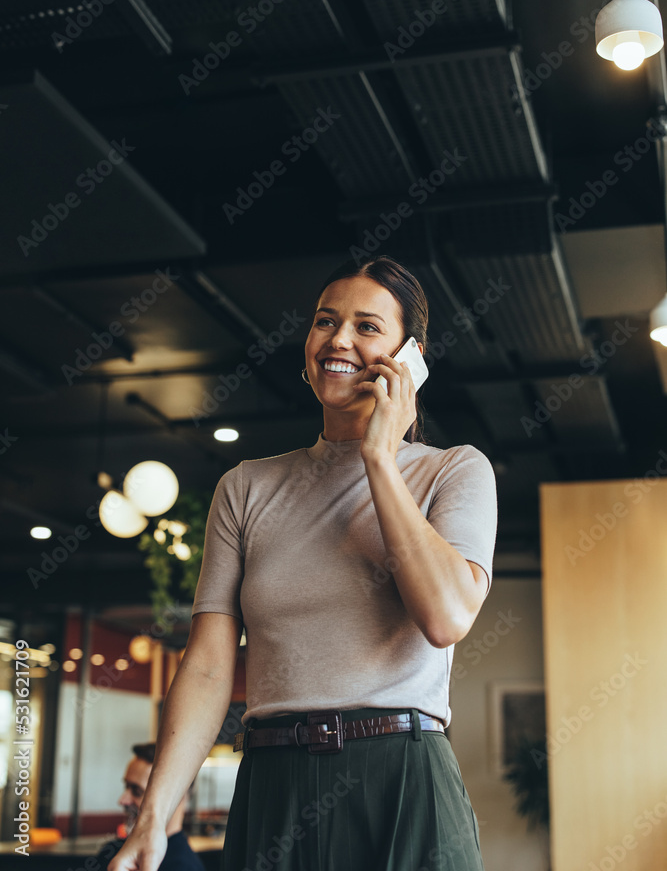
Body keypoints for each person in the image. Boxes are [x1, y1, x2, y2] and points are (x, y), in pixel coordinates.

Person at [110, 254, 497, 871]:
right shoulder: (245, 488)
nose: (338, 339)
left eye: (368, 327)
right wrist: (155, 814)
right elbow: (209, 667)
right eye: (325, 321)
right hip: (273, 781)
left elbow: (446, 617)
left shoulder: (454, 470)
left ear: (410, 358)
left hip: (401, 778)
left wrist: (380, 457)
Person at [100, 743, 204, 870]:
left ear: (177, 797)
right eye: (126, 787)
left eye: (137, 791)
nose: (122, 800)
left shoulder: (184, 867)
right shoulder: (112, 851)